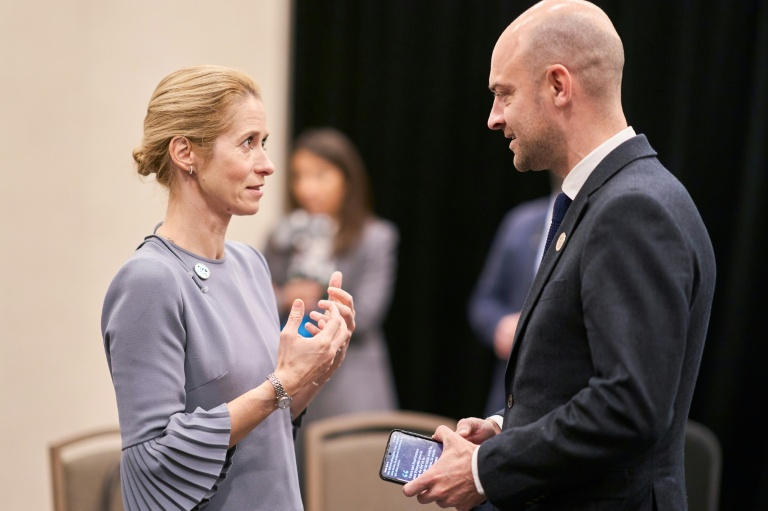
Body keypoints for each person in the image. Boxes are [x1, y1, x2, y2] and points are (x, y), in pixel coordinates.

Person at [403, 1, 716, 510]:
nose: (494, 118)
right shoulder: (608, 197)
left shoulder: (632, 208)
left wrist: (484, 470)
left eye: (504, 93)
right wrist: (509, 428)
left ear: (557, 85)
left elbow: (628, 407)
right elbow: (578, 374)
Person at [101, 65, 356, 511]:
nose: (267, 164)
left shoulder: (251, 265)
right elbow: (152, 463)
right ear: (185, 152)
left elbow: (265, 428)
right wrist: (282, 383)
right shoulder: (149, 280)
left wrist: (316, 369)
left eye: (264, 142)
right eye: (247, 143)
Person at [263, 127, 399, 423]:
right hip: (289, 379)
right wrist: (287, 297)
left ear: (347, 179)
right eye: (299, 176)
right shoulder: (282, 236)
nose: (307, 188)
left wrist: (318, 301)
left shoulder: (375, 237)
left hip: (351, 386)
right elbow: (258, 299)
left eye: (320, 175)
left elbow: (368, 313)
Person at [468, 173, 562, 418]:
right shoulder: (519, 222)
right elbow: (483, 300)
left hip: (564, 399)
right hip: (508, 394)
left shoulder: (599, 222)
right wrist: (499, 325)